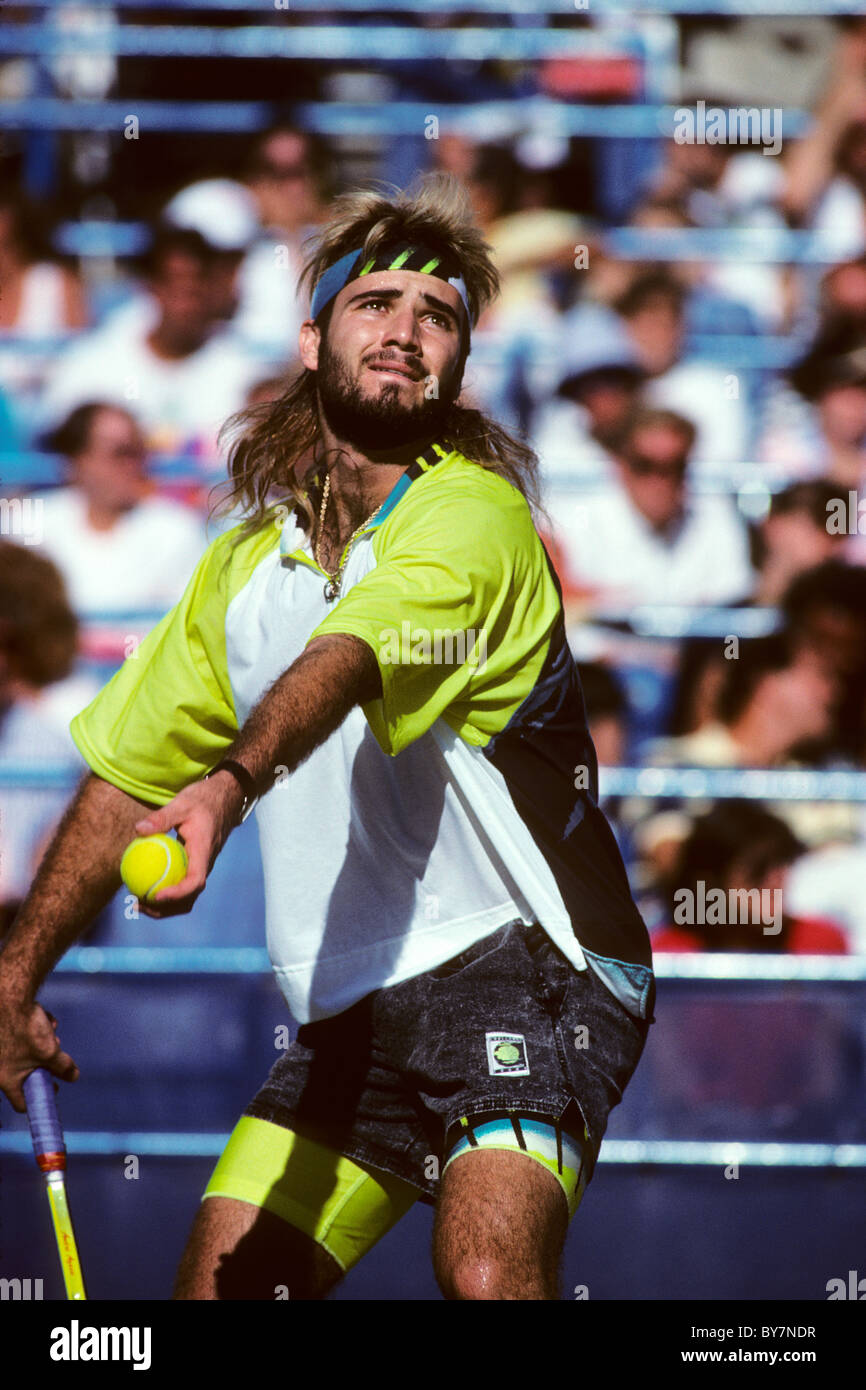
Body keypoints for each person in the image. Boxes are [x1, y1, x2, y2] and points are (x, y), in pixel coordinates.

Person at [0, 173, 655, 1302]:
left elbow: (347, 658)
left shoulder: (476, 514)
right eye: (374, 305)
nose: (404, 330)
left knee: (489, 1273)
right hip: (350, 1010)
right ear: (313, 342)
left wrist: (229, 785)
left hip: (527, 961)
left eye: (437, 317)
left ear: (454, 367)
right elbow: (121, 775)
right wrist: (14, 975)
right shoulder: (243, 568)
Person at [40, 228, 261, 458]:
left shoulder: (242, 372)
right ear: (151, 288)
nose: (187, 305)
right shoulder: (91, 363)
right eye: (177, 290)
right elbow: (54, 448)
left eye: (195, 292)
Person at [545, 406, 754, 610]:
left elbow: (735, 606)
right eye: (644, 465)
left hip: (695, 645)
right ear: (620, 466)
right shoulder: (574, 520)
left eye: (674, 466)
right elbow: (552, 601)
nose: (660, 480)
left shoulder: (715, 519)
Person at [34, 401, 207, 618]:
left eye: (138, 452)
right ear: (77, 460)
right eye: (119, 452)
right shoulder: (32, 523)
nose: (132, 465)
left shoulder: (177, 529)